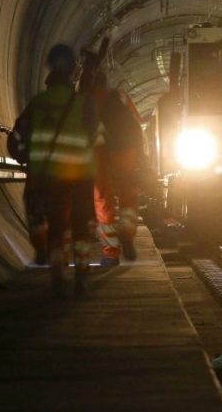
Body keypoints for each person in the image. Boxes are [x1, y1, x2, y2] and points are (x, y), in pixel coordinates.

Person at [8, 44, 99, 297]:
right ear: (73, 71)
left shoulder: (38, 103)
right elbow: (94, 134)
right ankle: (81, 276)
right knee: (81, 227)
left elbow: (15, 137)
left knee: (57, 229)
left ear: (49, 69)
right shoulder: (83, 103)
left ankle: (58, 276)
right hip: (80, 175)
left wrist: (25, 157)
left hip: (49, 176)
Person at [90, 71, 143, 266]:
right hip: (126, 152)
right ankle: (127, 232)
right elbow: (137, 126)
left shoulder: (84, 100)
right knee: (129, 196)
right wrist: (141, 156)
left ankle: (111, 253)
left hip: (99, 155)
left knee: (104, 202)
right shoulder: (120, 97)